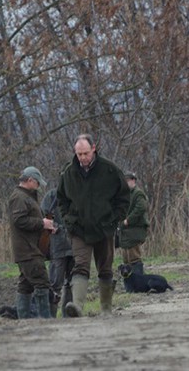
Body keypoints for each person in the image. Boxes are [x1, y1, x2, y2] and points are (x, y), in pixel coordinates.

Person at [57, 134, 130, 317]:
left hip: (104, 228)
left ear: (94, 149)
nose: (82, 158)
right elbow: (61, 199)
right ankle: (77, 306)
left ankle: (106, 309)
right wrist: (68, 220)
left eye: (86, 153)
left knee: (105, 268)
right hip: (79, 229)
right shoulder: (68, 173)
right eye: (79, 154)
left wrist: (114, 220)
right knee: (80, 265)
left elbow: (123, 198)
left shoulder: (110, 170)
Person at [8, 166, 56, 319]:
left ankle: (24, 320)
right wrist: (42, 223)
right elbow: (19, 220)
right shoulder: (19, 197)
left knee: (26, 285)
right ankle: (45, 319)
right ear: (30, 180)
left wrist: (46, 226)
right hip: (28, 251)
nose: (38, 186)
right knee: (42, 283)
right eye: (37, 183)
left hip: (30, 249)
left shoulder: (26, 196)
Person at [40, 188, 74, 317]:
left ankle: (68, 315)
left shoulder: (80, 191)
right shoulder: (51, 196)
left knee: (72, 283)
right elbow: (43, 216)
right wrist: (52, 225)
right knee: (55, 284)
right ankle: (51, 316)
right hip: (57, 245)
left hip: (75, 244)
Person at [118, 171, 149, 292]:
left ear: (133, 181)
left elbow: (141, 208)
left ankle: (140, 284)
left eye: (128, 181)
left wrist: (128, 220)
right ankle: (130, 286)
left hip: (134, 231)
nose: (126, 183)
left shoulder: (138, 193)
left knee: (134, 258)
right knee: (126, 259)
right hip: (126, 232)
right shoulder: (126, 195)